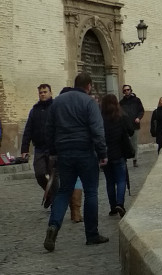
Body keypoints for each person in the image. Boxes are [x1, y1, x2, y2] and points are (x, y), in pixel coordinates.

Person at [43, 72, 108, 252]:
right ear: (89, 86)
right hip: (85, 151)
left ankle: (54, 225)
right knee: (91, 192)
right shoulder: (89, 103)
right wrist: (102, 152)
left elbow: (49, 129)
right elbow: (97, 130)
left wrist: (53, 151)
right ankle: (92, 234)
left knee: (64, 191)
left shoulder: (58, 102)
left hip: (64, 152)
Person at [21, 83, 58, 207]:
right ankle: (50, 194)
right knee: (39, 174)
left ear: (50, 93)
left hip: (54, 147)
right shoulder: (35, 110)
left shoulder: (56, 107)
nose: (42, 94)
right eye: (40, 92)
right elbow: (28, 129)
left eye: (45, 92)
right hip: (40, 148)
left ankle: (56, 202)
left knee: (54, 177)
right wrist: (24, 148)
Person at [101, 93, 134, 217]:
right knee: (121, 180)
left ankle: (112, 207)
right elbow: (131, 130)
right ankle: (120, 203)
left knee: (110, 181)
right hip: (119, 153)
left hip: (105, 154)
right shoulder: (121, 116)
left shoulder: (100, 117)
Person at [119, 84, 144, 167]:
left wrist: (138, 118)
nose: (126, 91)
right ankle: (125, 158)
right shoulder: (121, 102)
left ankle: (135, 160)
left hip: (134, 125)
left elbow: (141, 111)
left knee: (134, 143)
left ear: (131, 90)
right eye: (125, 90)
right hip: (125, 126)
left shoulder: (136, 100)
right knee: (125, 142)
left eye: (128, 90)